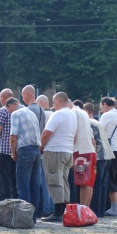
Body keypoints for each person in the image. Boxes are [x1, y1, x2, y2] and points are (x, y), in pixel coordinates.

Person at [40, 92, 77, 222]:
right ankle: (65, 211)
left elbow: (46, 133)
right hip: (67, 151)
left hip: (55, 150)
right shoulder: (72, 115)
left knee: (54, 180)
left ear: (60, 100)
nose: (53, 104)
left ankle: (57, 212)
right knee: (64, 181)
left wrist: (41, 146)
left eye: (54, 101)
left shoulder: (58, 114)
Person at [6, 97, 41, 222]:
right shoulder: (32, 114)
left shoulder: (16, 114)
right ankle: (34, 217)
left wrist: (13, 152)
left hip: (25, 150)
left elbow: (13, 137)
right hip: (37, 150)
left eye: (9, 110)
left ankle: (24, 217)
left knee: (23, 186)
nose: (9, 113)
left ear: (11, 105)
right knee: (34, 186)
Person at [84, 103, 115, 217]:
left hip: (99, 156)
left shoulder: (88, 123)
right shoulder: (97, 121)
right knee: (103, 185)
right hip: (107, 155)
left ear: (86, 111)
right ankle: (101, 210)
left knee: (96, 184)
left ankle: (96, 210)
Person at [21, 85, 46, 219]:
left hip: (30, 147)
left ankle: (28, 213)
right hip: (39, 148)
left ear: (28, 94)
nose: (22, 98)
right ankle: (37, 212)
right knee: (37, 184)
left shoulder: (29, 110)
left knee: (27, 183)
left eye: (23, 95)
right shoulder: (41, 109)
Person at [99, 97, 117, 216]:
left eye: (101, 106)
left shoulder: (106, 115)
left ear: (105, 104)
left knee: (111, 177)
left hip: (112, 149)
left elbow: (99, 130)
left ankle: (114, 208)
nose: (100, 108)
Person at [70, 100, 96, 207]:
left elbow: (73, 133)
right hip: (89, 150)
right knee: (88, 183)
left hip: (80, 151)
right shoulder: (84, 113)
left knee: (83, 183)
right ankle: (86, 209)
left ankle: (82, 210)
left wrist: (70, 149)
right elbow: (92, 139)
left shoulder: (73, 113)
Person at [0, 88, 18, 201]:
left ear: (3, 98)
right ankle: (14, 203)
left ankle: (3, 205)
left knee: (3, 181)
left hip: (3, 150)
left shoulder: (3, 110)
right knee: (14, 180)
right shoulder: (19, 110)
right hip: (15, 150)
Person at [36, 94, 55, 216]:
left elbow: (43, 135)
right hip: (54, 152)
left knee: (43, 182)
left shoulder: (42, 115)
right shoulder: (54, 115)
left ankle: (46, 208)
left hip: (44, 152)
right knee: (53, 182)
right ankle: (53, 207)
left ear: (41, 104)